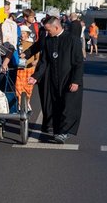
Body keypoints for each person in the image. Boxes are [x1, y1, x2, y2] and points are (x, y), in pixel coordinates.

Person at [29, 15, 83, 143]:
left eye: (48, 30)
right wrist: (35, 77)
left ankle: (64, 133)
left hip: (69, 79)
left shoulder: (72, 40)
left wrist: (76, 81)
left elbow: (78, 62)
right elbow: (44, 62)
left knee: (68, 106)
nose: (47, 33)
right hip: (54, 78)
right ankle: (58, 130)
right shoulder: (49, 41)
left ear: (57, 27)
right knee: (56, 106)